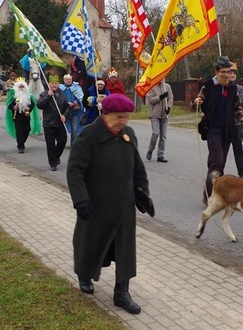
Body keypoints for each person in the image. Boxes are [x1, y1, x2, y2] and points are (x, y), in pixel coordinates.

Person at [66, 93, 150, 315]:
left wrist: (143, 194)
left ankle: (122, 292)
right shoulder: (89, 135)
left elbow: (138, 169)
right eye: (119, 117)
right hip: (96, 204)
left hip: (124, 205)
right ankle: (84, 274)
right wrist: (80, 200)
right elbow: (75, 170)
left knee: (125, 249)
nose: (123, 121)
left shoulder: (128, 135)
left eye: (126, 117)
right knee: (91, 243)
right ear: (106, 114)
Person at [192, 55, 243, 205]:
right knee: (217, 162)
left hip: (227, 130)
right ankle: (209, 195)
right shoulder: (207, 86)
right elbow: (197, 100)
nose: (227, 75)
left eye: (229, 72)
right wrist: (196, 101)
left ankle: (213, 191)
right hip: (212, 129)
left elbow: (237, 108)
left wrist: (241, 119)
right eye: (224, 72)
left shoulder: (233, 88)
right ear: (216, 72)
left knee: (219, 163)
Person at [36, 75, 70, 171]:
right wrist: (48, 96)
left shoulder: (62, 94)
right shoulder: (44, 94)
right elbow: (39, 105)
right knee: (50, 144)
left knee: (62, 141)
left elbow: (67, 107)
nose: (54, 85)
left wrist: (64, 115)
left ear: (58, 84)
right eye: (52, 83)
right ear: (49, 84)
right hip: (49, 123)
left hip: (60, 123)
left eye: (56, 83)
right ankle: (53, 163)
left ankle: (56, 156)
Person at [5, 76, 41, 154]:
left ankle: (22, 142)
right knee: (19, 131)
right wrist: (13, 107)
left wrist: (29, 108)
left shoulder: (29, 94)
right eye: (20, 86)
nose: (21, 88)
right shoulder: (13, 94)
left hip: (26, 116)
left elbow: (33, 103)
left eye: (22, 86)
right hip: (17, 116)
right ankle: (20, 146)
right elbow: (9, 104)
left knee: (27, 130)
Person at [145, 78, 173, 163]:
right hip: (155, 114)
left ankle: (160, 155)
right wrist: (160, 97)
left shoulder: (167, 86)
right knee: (155, 133)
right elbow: (151, 100)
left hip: (164, 114)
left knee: (163, 136)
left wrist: (168, 107)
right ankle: (150, 150)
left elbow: (170, 98)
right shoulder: (151, 87)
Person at [61, 73, 85, 146]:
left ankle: (73, 144)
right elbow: (59, 98)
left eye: (70, 79)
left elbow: (80, 97)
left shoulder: (76, 87)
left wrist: (76, 102)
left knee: (74, 129)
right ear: (64, 80)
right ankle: (62, 142)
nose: (68, 81)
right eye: (67, 80)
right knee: (62, 129)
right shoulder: (61, 88)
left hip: (74, 111)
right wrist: (66, 103)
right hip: (64, 111)